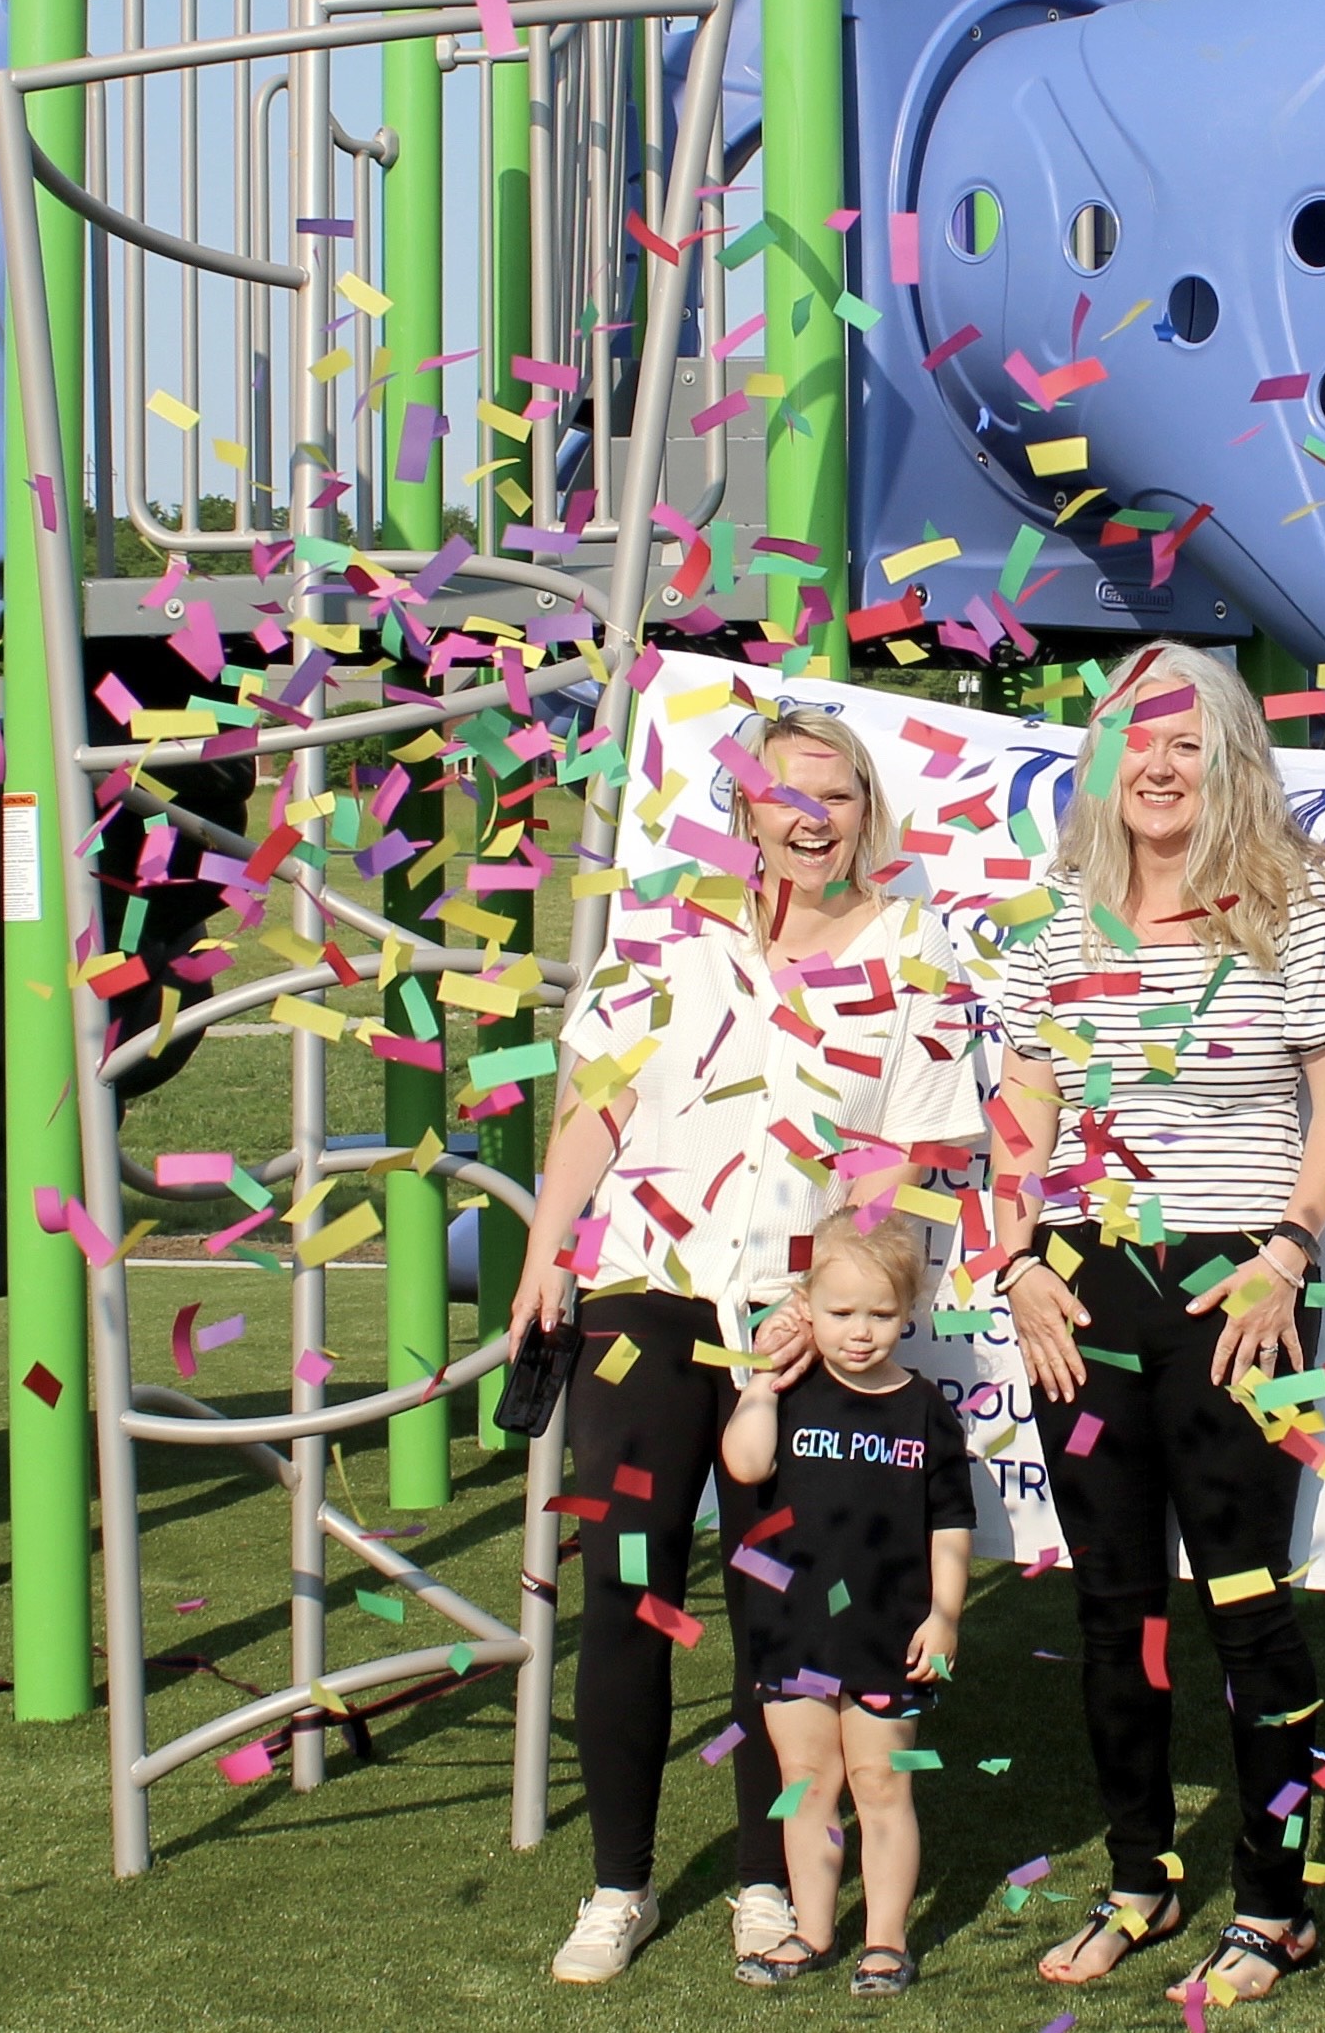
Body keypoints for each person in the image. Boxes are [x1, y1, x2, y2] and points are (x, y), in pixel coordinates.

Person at [509, 705, 985, 1986]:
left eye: (839, 796)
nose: (813, 818)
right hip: (645, 1295)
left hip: (801, 1319)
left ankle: (768, 1885)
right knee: (627, 1585)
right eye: (790, 796)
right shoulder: (666, 929)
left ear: (866, 816)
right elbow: (591, 1109)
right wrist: (547, 1255)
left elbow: (915, 1158)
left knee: (781, 1605)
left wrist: (828, 1297)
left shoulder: (914, 952)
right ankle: (619, 1886)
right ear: (749, 809)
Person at [990, 641, 1325, 2004]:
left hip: (1237, 1289)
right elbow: (1020, 1102)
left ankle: (1275, 1906)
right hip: (1081, 1290)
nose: (1155, 765)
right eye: (1130, 739)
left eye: (1184, 740)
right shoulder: (1061, 910)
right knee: (1115, 1607)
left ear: (1226, 756)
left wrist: (1285, 1250)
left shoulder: (1295, 899)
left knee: (1246, 1603)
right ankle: (1141, 1877)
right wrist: (1018, 1257)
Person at [720, 1213, 976, 1997]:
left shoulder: (925, 1409)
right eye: (839, 1313)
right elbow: (743, 1461)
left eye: (879, 1314)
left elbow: (951, 1525)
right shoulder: (789, 1392)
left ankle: (887, 1940)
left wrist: (945, 1615)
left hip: (887, 1635)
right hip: (791, 1631)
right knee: (806, 1777)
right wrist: (762, 1382)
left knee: (880, 1782)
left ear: (909, 1311)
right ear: (806, 1305)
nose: (860, 1333)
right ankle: (812, 1929)